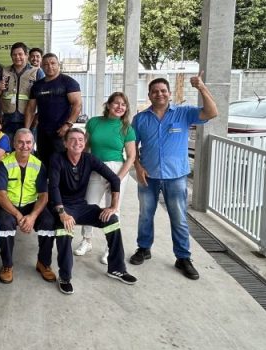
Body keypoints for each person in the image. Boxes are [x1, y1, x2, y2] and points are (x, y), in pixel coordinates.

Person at [132, 73, 217, 280]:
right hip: (148, 176)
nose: (159, 94)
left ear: (169, 94)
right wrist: (138, 166)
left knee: (178, 218)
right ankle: (143, 248)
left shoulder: (184, 113)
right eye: (155, 91)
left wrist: (202, 88)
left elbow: (212, 112)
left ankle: (183, 257)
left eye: (163, 91)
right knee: (145, 215)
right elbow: (132, 145)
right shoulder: (140, 119)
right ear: (149, 95)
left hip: (176, 176)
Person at [47, 129, 137, 295]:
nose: (77, 143)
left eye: (81, 140)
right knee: (64, 229)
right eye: (72, 140)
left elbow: (115, 179)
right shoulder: (57, 159)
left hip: (81, 206)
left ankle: (116, 269)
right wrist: (62, 212)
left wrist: (113, 207)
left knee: (112, 221)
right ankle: (65, 277)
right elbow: (53, 187)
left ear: (84, 143)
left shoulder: (89, 159)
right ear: (65, 143)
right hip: (63, 207)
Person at [74, 92, 138, 266]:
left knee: (113, 209)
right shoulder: (94, 122)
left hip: (117, 169)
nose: (119, 107)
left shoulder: (126, 128)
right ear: (108, 105)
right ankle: (87, 240)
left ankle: (111, 247)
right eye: (116, 103)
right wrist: (80, 168)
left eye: (123, 105)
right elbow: (85, 147)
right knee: (89, 205)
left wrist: (118, 178)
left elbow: (131, 156)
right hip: (95, 167)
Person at [0, 129, 51, 284]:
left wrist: (32, 216)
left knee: (48, 222)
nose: (24, 146)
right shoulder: (4, 164)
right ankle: (7, 266)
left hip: (31, 205)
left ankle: (43, 263)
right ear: (13, 144)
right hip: (9, 206)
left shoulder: (38, 165)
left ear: (32, 145)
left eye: (28, 142)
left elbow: (44, 195)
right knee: (5, 225)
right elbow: (0, 194)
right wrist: (18, 216)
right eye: (20, 142)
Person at [25, 53, 81, 160]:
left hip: (61, 132)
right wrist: (27, 130)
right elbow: (30, 109)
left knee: (61, 162)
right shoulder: (37, 86)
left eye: (53, 63)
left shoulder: (68, 82)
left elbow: (77, 104)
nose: (49, 66)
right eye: (46, 64)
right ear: (41, 66)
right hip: (42, 131)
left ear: (58, 64)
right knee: (43, 161)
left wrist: (68, 125)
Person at [0, 42, 39, 138]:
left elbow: (43, 98)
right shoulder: (4, 71)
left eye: (20, 54)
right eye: (14, 55)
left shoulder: (36, 72)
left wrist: (37, 117)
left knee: (25, 148)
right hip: (7, 120)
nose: (17, 57)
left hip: (28, 119)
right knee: (7, 150)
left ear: (26, 55)